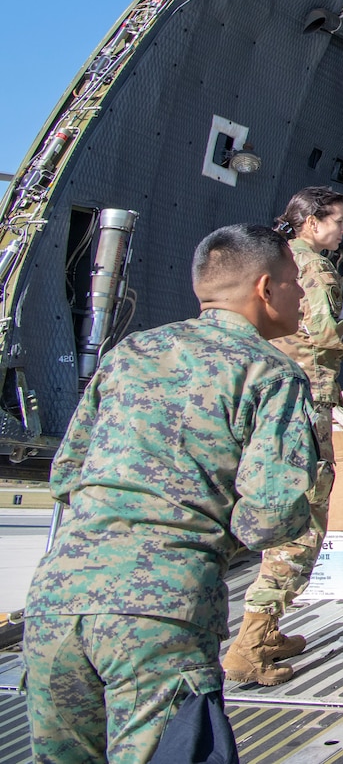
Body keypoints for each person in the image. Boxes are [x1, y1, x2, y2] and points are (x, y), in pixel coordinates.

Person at [27, 224, 319, 763]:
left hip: (56, 606)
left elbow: (67, 476)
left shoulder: (130, 353)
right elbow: (270, 518)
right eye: (295, 281)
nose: (302, 295)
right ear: (265, 288)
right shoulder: (270, 374)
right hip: (160, 618)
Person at [224, 187, 343, 684]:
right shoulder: (318, 270)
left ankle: (267, 626)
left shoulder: (272, 263)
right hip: (307, 404)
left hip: (269, 400)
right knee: (303, 520)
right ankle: (251, 644)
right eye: (337, 222)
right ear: (310, 223)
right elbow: (326, 334)